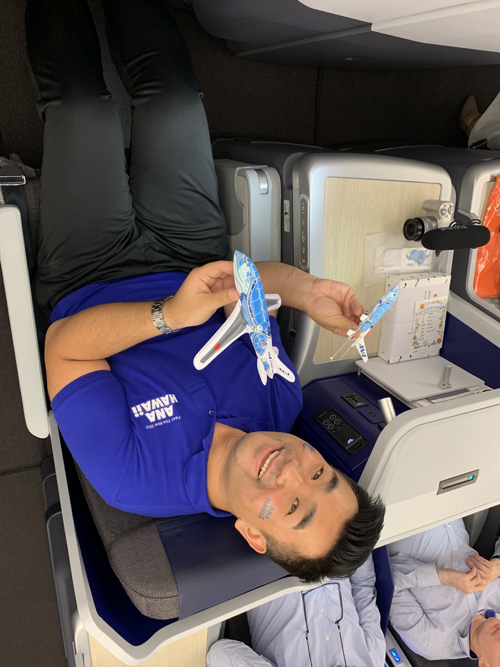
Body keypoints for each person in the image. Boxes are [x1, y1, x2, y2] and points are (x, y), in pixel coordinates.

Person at [27, 0, 385, 582]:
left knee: (80, 110)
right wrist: (306, 291)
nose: (291, 468)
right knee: (172, 100)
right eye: (320, 472)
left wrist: (170, 315)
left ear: (252, 533)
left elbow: (64, 347)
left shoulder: (136, 480)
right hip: (193, 255)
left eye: (292, 507)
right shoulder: (281, 404)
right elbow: (247, 286)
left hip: (87, 277)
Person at [206, 555, 386, 667]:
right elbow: (363, 587)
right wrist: (353, 541)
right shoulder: (374, 659)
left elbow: (220, 653)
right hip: (329, 546)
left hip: (270, 563)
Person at [388, 518, 500, 664]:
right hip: (451, 509)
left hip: (401, 520)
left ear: (484, 664)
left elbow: (386, 580)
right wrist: (498, 563)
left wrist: (442, 577)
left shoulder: (429, 642)